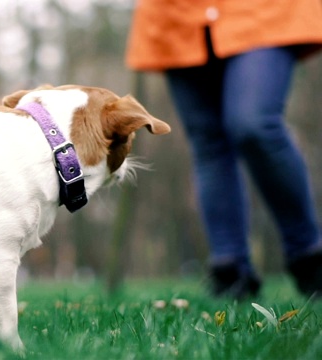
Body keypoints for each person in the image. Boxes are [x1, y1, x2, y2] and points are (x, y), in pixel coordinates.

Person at [126, 0, 322, 298]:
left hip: (263, 11)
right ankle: (230, 271)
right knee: (208, 143)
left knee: (254, 125)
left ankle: (309, 255)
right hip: (177, 16)